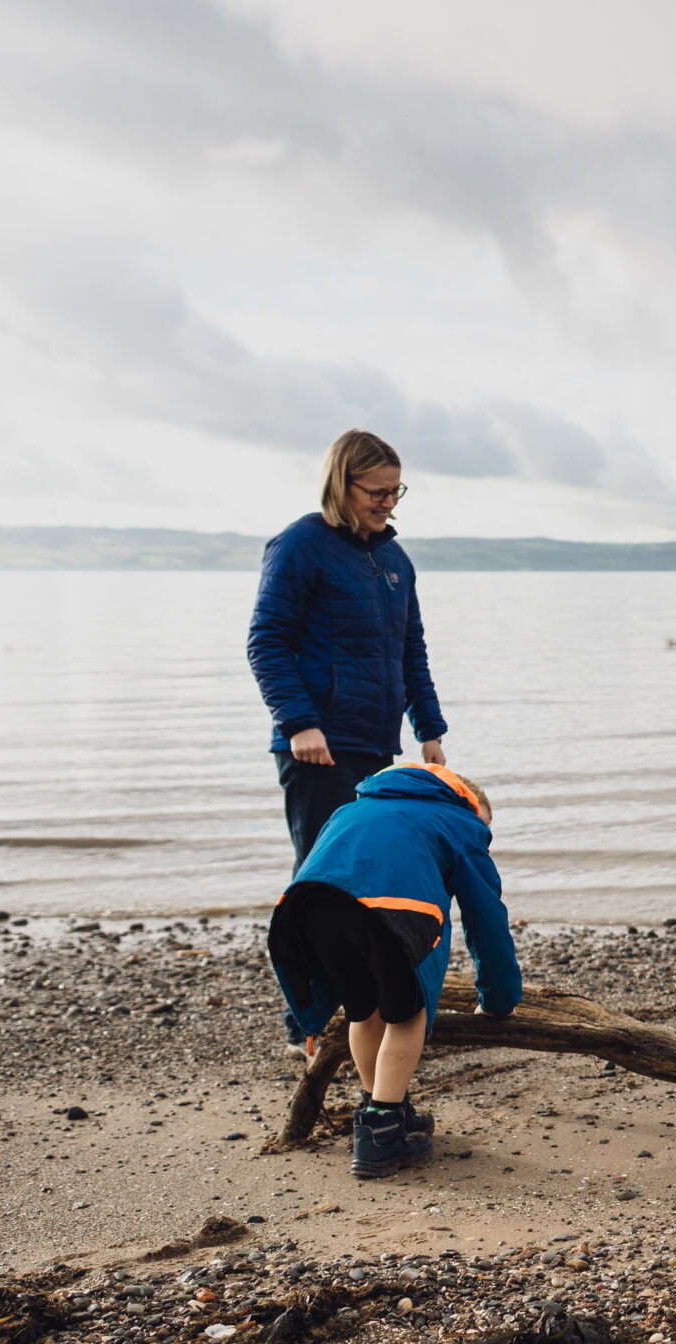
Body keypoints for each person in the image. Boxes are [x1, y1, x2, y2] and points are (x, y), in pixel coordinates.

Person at [247, 429, 449, 1052]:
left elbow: (409, 648)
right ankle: (306, 1028)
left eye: (397, 490)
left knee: (366, 879)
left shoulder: (394, 560)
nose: (390, 502)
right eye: (378, 491)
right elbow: (267, 641)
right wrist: (298, 722)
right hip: (315, 745)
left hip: (373, 745)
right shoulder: (301, 545)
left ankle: (362, 1016)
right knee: (320, 884)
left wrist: (430, 728)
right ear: (343, 483)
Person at [268, 764, 522, 1179]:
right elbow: (485, 917)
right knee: (407, 1015)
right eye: (487, 832)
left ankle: (380, 1107)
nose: (485, 841)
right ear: (471, 805)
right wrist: (498, 1000)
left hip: (308, 910)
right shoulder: (461, 820)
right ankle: (382, 1136)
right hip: (390, 911)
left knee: (363, 1008)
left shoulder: (353, 808)